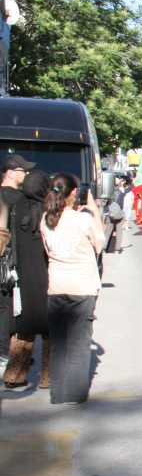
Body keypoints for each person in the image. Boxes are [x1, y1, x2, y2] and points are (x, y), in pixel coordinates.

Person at [41, 173, 105, 405]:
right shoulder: (83, 220)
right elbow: (100, 243)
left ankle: (57, 393)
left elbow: (47, 250)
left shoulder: (46, 220)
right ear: (73, 194)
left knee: (59, 343)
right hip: (82, 287)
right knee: (79, 343)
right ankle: (75, 394)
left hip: (56, 287)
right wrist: (94, 210)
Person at [4, 170, 51, 389]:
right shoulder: (49, 210)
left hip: (21, 275)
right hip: (47, 275)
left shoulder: (16, 208)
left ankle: (14, 376)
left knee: (23, 327)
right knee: (51, 330)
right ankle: (48, 378)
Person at [0, 153, 31, 369]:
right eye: (23, 170)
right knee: (8, 307)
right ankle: (5, 351)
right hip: (10, 261)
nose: (26, 173)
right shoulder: (20, 200)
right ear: (10, 173)